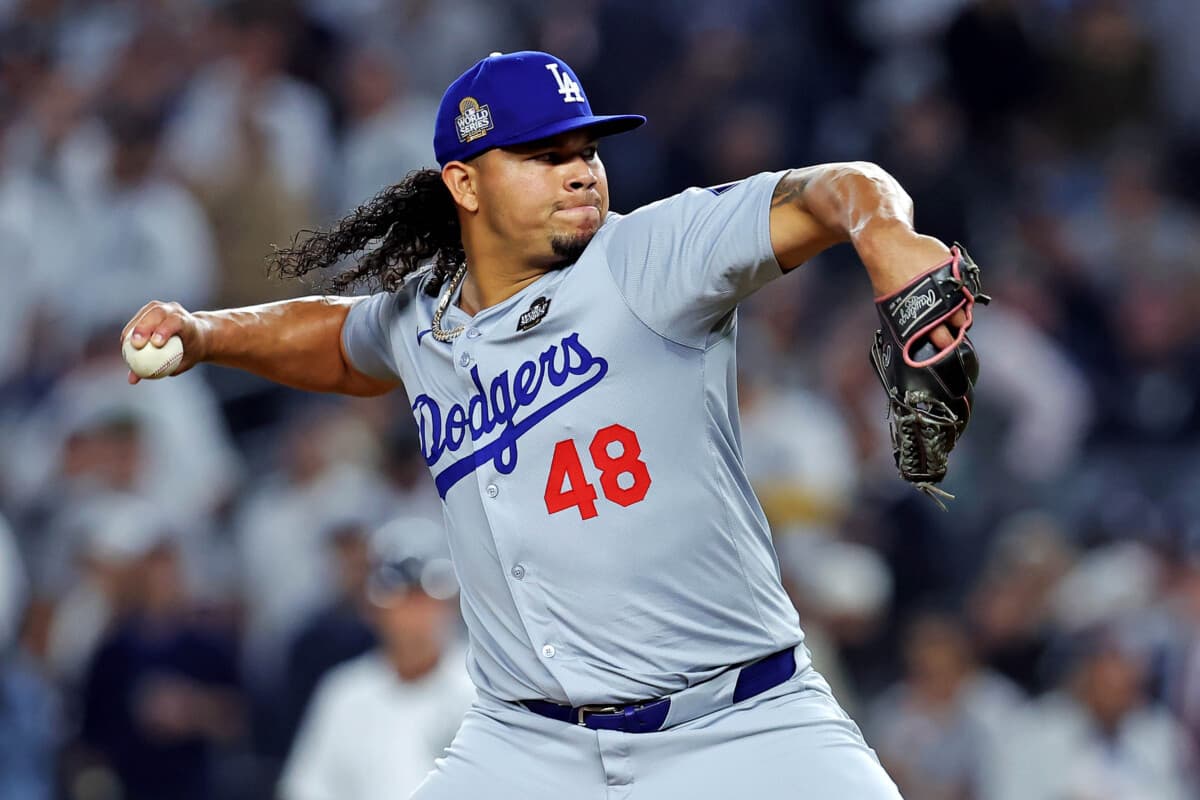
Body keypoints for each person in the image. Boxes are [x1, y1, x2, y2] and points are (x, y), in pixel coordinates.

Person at [123, 50, 970, 799]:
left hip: (742, 724)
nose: (580, 173)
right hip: (530, 746)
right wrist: (206, 333)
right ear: (464, 184)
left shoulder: (651, 257)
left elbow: (834, 189)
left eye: (586, 151)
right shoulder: (424, 322)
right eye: (543, 155)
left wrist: (884, 233)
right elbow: (342, 342)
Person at [279, 516, 474, 800]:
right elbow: (306, 790)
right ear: (372, 607)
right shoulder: (345, 694)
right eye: (401, 599)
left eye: (424, 598)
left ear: (450, 604)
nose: (413, 615)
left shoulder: (484, 690)